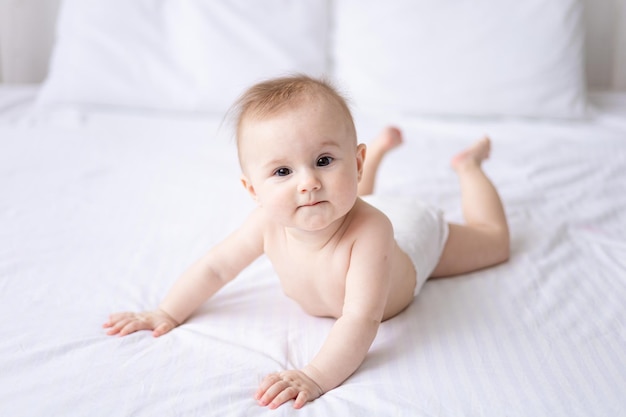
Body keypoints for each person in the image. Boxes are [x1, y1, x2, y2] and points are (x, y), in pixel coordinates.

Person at [103, 75, 510, 410]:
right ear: (253, 189)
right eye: (282, 171)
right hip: (354, 200)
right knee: (339, 197)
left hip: (413, 240)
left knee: (494, 244)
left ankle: (469, 168)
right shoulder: (267, 222)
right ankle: (383, 152)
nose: (308, 182)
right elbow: (216, 266)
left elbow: (361, 318)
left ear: (354, 161)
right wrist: (166, 312)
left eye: (324, 160)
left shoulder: (372, 233)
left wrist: (315, 376)